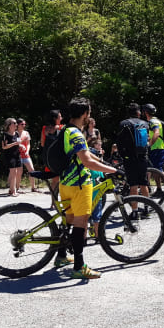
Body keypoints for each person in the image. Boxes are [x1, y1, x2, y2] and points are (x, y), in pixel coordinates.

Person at [58, 97, 119, 279]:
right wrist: (112, 169)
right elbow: (86, 161)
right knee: (81, 223)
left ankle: (61, 256)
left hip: (65, 182)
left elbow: (84, 157)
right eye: (89, 113)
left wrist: (103, 163)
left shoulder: (65, 130)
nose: (89, 116)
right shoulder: (76, 134)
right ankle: (79, 267)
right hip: (79, 184)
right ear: (85, 114)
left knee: (68, 219)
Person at [116, 103, 151, 217]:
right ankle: (147, 209)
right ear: (138, 112)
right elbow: (148, 139)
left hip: (130, 158)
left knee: (133, 185)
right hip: (143, 157)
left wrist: (122, 155)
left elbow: (119, 142)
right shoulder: (145, 124)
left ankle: (135, 212)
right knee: (144, 183)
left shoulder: (124, 124)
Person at [87, 135, 105, 237]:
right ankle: (99, 236)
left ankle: (83, 239)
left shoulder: (85, 168)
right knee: (97, 218)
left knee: (84, 219)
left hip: (86, 195)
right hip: (97, 196)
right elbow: (102, 177)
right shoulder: (97, 170)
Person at [143, 103, 164, 172]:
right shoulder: (155, 120)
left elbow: (156, 133)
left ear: (146, 113)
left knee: (158, 170)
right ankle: (159, 183)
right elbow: (152, 135)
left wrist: (149, 145)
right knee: (156, 169)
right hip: (158, 147)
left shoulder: (153, 122)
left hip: (157, 147)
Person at [1, 118, 22, 196]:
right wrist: (14, 144)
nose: (16, 124)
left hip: (17, 155)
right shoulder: (5, 134)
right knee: (13, 173)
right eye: (14, 123)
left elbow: (19, 142)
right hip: (9, 155)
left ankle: (11, 190)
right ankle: (13, 191)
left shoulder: (17, 133)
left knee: (16, 172)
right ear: (9, 125)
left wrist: (21, 145)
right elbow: (4, 147)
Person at [16, 118, 38, 192]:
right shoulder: (15, 133)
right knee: (19, 172)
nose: (24, 125)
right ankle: (17, 188)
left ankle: (33, 187)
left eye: (24, 124)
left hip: (26, 155)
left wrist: (27, 151)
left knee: (32, 170)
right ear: (18, 125)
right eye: (22, 124)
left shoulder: (26, 133)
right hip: (18, 155)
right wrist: (20, 146)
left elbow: (28, 144)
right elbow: (15, 144)